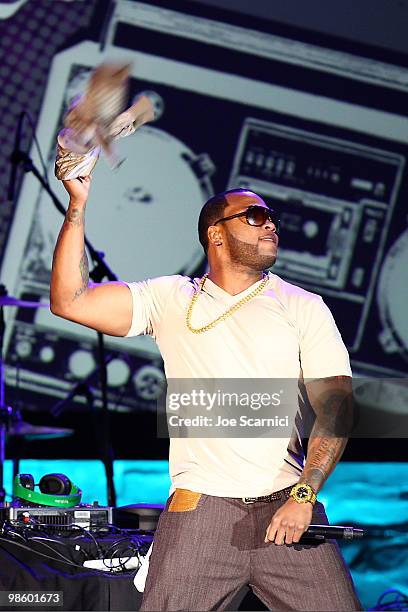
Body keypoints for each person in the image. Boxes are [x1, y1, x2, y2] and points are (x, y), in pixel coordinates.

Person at [50, 177, 362, 611]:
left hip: (287, 507)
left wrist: (305, 495)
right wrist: (77, 202)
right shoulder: (171, 298)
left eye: (271, 218)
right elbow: (70, 300)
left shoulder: (302, 306)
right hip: (200, 513)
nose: (269, 225)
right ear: (216, 233)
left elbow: (336, 409)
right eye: (255, 216)